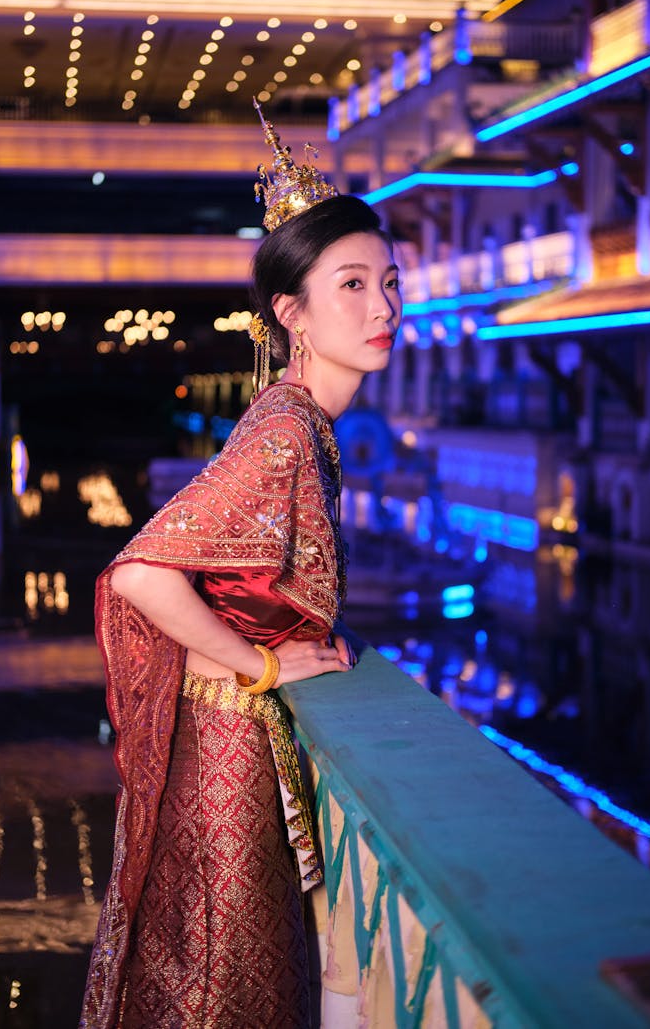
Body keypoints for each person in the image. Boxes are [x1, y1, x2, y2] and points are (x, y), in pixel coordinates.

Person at [80, 105, 402, 1029]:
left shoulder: (304, 425)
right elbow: (141, 573)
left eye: (389, 280)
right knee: (225, 988)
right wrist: (261, 663)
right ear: (289, 311)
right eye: (351, 284)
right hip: (228, 760)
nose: (382, 306)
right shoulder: (284, 432)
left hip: (238, 753)